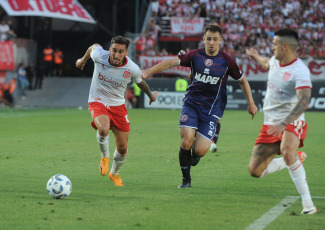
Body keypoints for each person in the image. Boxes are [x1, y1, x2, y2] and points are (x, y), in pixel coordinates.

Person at [142, 23, 258, 188]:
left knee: (200, 151)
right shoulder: (195, 55)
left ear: (221, 40)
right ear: (203, 39)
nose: (211, 42)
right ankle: (186, 180)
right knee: (186, 142)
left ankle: (194, 157)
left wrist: (251, 103)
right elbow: (170, 63)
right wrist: (148, 72)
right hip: (191, 105)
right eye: (208, 38)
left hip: (210, 111)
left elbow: (242, 81)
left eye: (215, 39)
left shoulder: (227, 61)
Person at [246, 28, 317, 215]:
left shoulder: (300, 70)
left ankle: (308, 204)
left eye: (275, 44)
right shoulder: (275, 62)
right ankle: (293, 159)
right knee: (255, 171)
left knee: (286, 150)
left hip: (292, 119)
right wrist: (255, 55)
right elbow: (266, 63)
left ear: (285, 46)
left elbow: (304, 102)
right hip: (270, 123)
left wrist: (284, 123)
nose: (272, 47)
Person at [76, 36, 158, 186]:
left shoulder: (131, 68)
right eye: (114, 50)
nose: (116, 55)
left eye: (121, 52)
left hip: (118, 106)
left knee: (122, 148)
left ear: (126, 52)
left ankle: (114, 174)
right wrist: (83, 60)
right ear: (110, 50)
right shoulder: (100, 56)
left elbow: (141, 83)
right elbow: (93, 45)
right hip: (97, 100)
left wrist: (151, 96)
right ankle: (104, 157)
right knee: (103, 128)